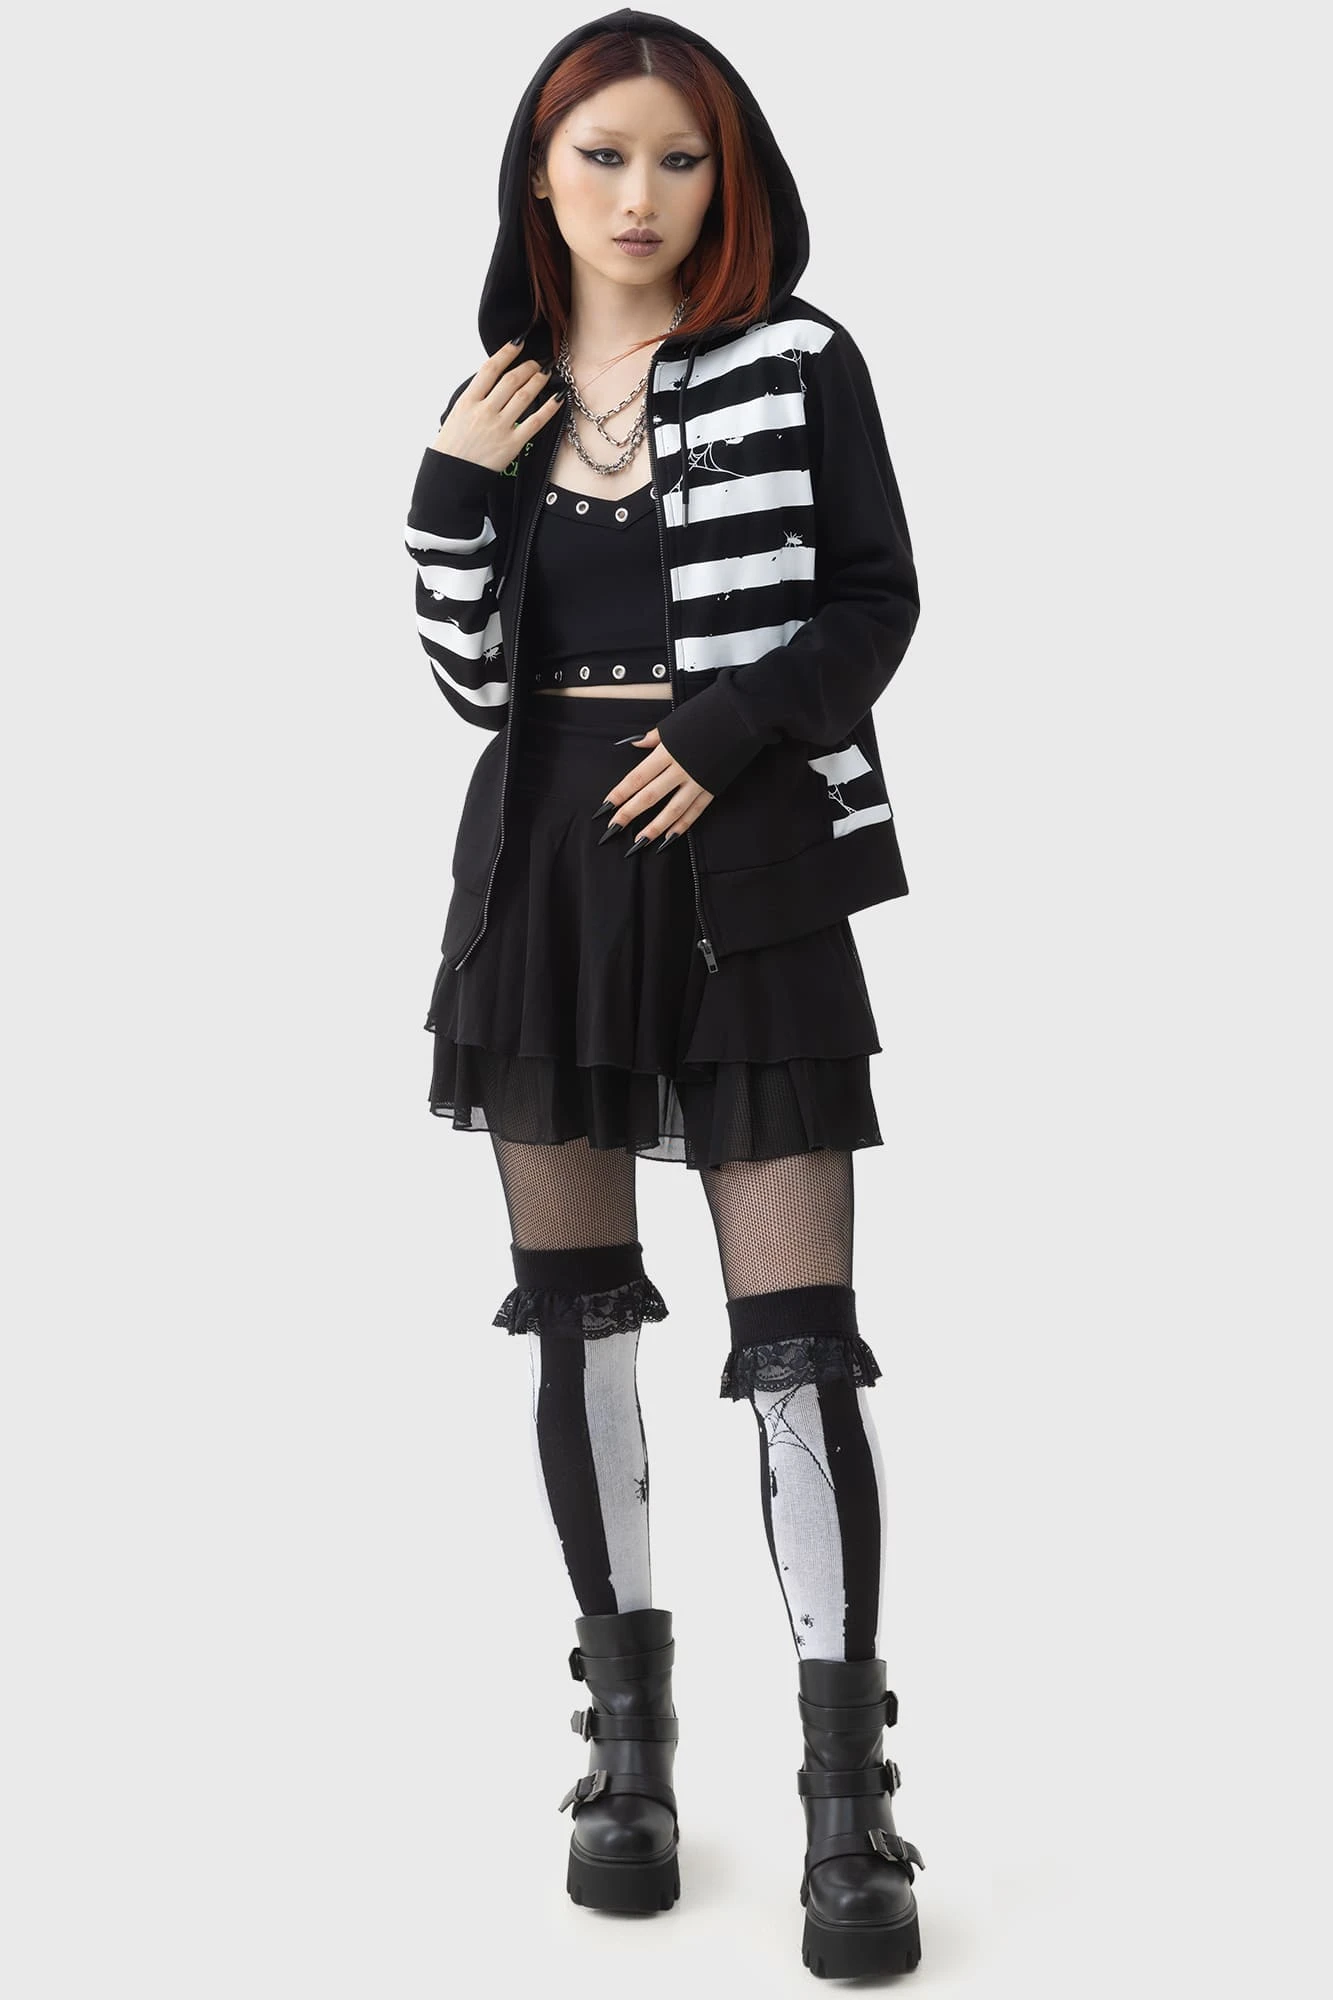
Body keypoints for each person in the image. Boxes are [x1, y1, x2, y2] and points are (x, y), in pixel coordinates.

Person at [402, 8, 925, 1975]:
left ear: (731, 177)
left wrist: (726, 729)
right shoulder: (500, 395)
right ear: (540, 178)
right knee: (579, 1329)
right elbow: (471, 685)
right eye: (603, 155)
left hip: (749, 876)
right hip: (543, 880)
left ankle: (848, 1805)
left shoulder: (801, 360)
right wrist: (449, 493)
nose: (642, 194)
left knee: (799, 1345)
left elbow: (875, 601)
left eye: (680, 158)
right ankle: (626, 1761)